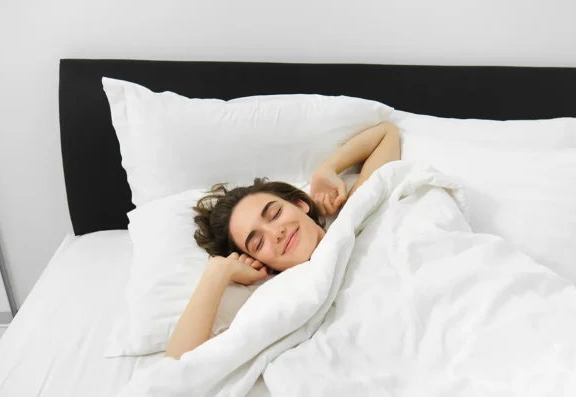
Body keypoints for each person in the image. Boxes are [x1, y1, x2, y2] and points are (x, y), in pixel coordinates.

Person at [165, 121, 400, 359]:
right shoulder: (273, 296)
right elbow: (177, 370)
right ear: (256, 260)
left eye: (275, 214)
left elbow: (385, 133)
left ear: (300, 203)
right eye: (258, 243)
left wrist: (326, 169)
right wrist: (217, 273)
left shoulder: (354, 214)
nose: (276, 233)